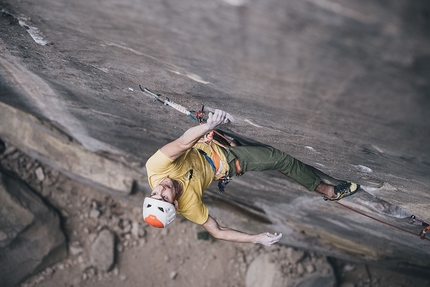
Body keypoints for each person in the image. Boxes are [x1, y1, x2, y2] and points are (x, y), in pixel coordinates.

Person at [143, 109, 359, 246]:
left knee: (269, 156)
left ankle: (224, 138)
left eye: (155, 193)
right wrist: (255, 238)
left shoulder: (155, 168)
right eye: (164, 197)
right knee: (282, 160)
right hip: (228, 161)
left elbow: (182, 143)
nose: (161, 188)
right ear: (176, 204)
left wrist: (206, 127)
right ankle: (327, 191)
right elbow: (217, 232)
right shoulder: (189, 208)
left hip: (207, 142)